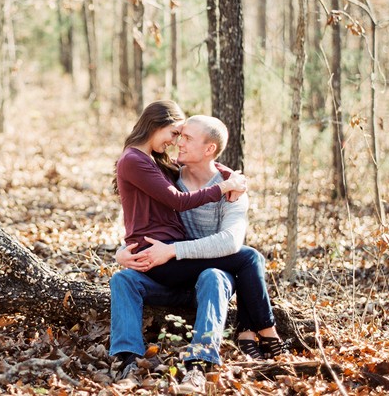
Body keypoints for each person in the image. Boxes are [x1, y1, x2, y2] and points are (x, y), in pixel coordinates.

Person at [110, 113, 287, 392]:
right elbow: (144, 222)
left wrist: (172, 251)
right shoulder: (169, 180)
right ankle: (126, 359)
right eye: (178, 135)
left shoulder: (232, 188)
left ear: (209, 150)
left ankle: (199, 365)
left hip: (210, 279)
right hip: (172, 274)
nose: (178, 142)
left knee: (216, 273)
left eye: (187, 137)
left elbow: (230, 243)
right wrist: (122, 252)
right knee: (123, 279)